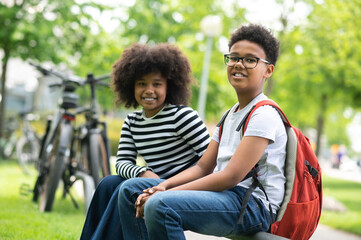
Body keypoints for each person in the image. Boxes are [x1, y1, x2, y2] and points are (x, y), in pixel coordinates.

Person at [118, 23, 287, 239]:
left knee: (160, 205)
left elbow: (230, 177)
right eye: (234, 57)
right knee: (131, 190)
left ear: (268, 70)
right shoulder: (231, 114)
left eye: (250, 60)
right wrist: (164, 184)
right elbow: (202, 167)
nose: (238, 64)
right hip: (228, 196)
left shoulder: (263, 114)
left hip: (253, 206)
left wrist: (166, 192)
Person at [80, 43, 210, 240]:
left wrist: (165, 183)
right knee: (108, 183)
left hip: (182, 188)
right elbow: (122, 163)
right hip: (151, 183)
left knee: (128, 188)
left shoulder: (182, 116)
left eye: (157, 84)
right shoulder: (133, 121)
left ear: (170, 86)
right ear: (130, 86)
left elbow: (210, 160)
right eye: (142, 83)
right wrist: (142, 172)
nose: (149, 90)